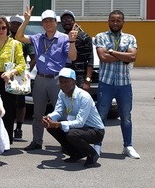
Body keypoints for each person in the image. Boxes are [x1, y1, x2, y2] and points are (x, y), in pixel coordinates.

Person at [15, 6, 77, 151]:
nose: (48, 23)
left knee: (61, 112)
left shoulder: (63, 38)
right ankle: (37, 141)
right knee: (38, 113)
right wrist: (26, 21)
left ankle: (65, 143)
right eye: (45, 21)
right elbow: (19, 37)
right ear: (42, 24)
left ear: (56, 22)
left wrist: (72, 42)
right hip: (41, 79)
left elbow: (73, 57)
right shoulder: (38, 38)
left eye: (51, 21)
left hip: (57, 80)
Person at [94, 10, 139, 159]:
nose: (115, 23)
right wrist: (122, 55)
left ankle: (128, 146)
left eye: (118, 20)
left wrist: (112, 52)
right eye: (112, 20)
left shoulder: (130, 38)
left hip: (124, 84)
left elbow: (132, 56)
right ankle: (97, 145)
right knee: (101, 116)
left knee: (126, 116)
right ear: (108, 21)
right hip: (106, 83)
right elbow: (102, 57)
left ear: (123, 22)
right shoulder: (101, 36)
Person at [42, 68, 105, 168]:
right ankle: (76, 153)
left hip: (95, 131)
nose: (63, 85)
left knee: (72, 134)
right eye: (61, 82)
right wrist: (48, 118)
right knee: (51, 127)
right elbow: (58, 111)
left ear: (74, 82)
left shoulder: (84, 96)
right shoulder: (62, 94)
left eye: (67, 81)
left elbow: (80, 122)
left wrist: (58, 124)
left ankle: (92, 154)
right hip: (79, 128)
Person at [0, 16, 26, 144]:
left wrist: (10, 72)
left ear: (7, 28)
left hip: (8, 79)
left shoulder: (15, 44)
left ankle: (7, 138)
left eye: (3, 27)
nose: (1, 30)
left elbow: (22, 64)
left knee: (8, 110)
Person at [9, 14, 36, 140]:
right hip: (6, 74)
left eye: (17, 24)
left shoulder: (24, 40)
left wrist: (26, 70)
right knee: (7, 101)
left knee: (20, 102)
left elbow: (34, 58)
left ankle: (18, 128)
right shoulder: (5, 37)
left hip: (20, 74)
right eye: (12, 23)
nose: (14, 26)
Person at [60, 10, 93, 89]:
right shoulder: (60, 37)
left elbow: (90, 59)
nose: (66, 22)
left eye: (69, 19)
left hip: (80, 77)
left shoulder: (84, 36)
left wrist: (87, 80)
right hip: (64, 76)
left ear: (74, 21)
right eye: (64, 20)